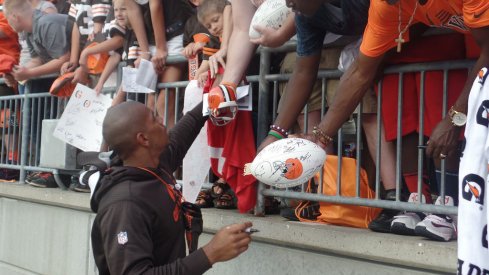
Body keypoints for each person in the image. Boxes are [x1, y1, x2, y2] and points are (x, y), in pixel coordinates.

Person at [90, 100, 252, 274]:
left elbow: (183, 132)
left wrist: (211, 100)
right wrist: (211, 253)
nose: (162, 120)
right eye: (154, 118)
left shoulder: (153, 165)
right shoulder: (124, 204)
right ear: (143, 139)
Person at [4, 0, 73, 187]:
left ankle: (58, 171)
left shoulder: (46, 23)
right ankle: (46, 167)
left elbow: (63, 59)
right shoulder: (30, 31)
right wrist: (19, 73)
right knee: (35, 120)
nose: (8, 26)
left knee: (55, 121)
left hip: (76, 76)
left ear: (14, 17)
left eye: (7, 20)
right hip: (51, 78)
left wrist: (28, 73)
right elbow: (38, 59)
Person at [125, 0, 193, 128]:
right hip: (150, 39)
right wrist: (145, 51)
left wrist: (161, 47)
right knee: (150, 105)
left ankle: (174, 146)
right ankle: (158, 146)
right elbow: (132, 10)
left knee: (164, 102)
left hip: (176, 29)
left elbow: (155, 4)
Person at [0, 0, 20, 181]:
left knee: (8, 121)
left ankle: (13, 163)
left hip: (6, 71)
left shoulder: (9, 3)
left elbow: (7, 30)